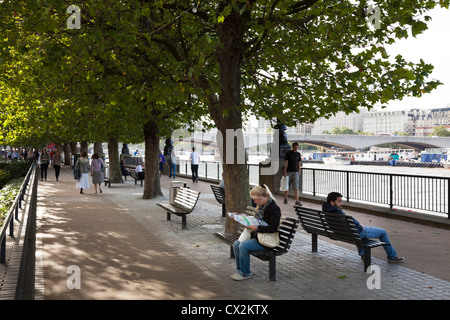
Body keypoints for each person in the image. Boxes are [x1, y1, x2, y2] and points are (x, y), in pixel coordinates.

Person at [322, 192, 405, 264]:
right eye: (339, 201)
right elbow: (351, 221)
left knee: (356, 234)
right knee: (383, 232)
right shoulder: (337, 213)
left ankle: (363, 253)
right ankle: (392, 257)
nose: (342, 203)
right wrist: (359, 225)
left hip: (342, 234)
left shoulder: (327, 211)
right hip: (356, 233)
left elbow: (349, 222)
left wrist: (357, 224)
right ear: (332, 203)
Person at [231, 184, 281, 281]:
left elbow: (273, 228)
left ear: (263, 197)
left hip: (266, 239)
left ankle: (246, 273)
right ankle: (240, 271)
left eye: (255, 199)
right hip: (257, 236)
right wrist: (247, 221)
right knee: (236, 244)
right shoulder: (261, 206)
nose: (254, 201)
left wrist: (257, 228)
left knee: (243, 246)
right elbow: (257, 221)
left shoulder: (274, 208)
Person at [283, 142, 302, 206]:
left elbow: (299, 163)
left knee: (296, 187)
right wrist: (285, 172)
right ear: (293, 146)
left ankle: (297, 201)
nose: (296, 148)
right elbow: (286, 163)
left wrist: (299, 170)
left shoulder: (298, 154)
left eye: (297, 147)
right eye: (295, 147)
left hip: (296, 172)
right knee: (287, 186)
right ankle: (285, 198)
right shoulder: (288, 153)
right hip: (289, 172)